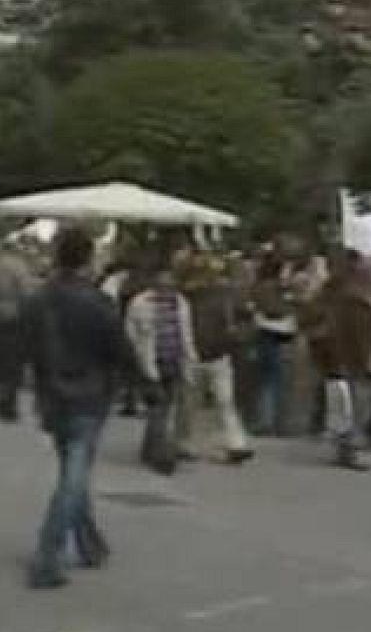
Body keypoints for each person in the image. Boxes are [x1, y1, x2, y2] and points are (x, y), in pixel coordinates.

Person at [19, 226, 146, 590]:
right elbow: (118, 348)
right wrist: (143, 383)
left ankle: (90, 543)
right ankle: (49, 554)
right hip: (89, 393)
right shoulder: (97, 302)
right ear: (88, 258)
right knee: (74, 475)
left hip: (51, 393)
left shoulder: (38, 299)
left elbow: (21, 344)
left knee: (71, 468)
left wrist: (9, 389)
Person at [305, 249, 371, 471]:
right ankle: (353, 449)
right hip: (354, 360)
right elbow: (364, 334)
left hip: (338, 360)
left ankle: (345, 447)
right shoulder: (358, 299)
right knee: (359, 405)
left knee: (345, 406)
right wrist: (370, 359)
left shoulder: (329, 294)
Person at [125, 257, 198, 471]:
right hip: (149, 363)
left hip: (174, 362)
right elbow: (130, 334)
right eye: (162, 285)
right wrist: (134, 360)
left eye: (170, 285)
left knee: (165, 409)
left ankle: (150, 448)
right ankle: (161, 456)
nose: (167, 289)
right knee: (157, 408)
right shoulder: (140, 303)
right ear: (154, 284)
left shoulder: (182, 303)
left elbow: (186, 334)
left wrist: (191, 359)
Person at [181, 254, 254, 464]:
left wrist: (239, 333)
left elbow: (244, 315)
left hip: (217, 354)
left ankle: (236, 444)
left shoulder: (223, 296)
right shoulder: (186, 296)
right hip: (193, 354)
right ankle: (185, 442)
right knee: (190, 404)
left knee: (224, 400)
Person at [0, 243, 34, 423]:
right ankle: (8, 402)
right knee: (13, 360)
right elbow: (27, 293)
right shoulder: (19, 267)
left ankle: (1, 394)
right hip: (15, 316)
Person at [248, 256, 297, 437]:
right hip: (274, 334)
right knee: (274, 381)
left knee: (268, 380)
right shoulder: (273, 288)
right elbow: (274, 310)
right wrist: (289, 304)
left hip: (264, 334)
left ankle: (265, 421)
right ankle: (270, 422)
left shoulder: (259, 286)